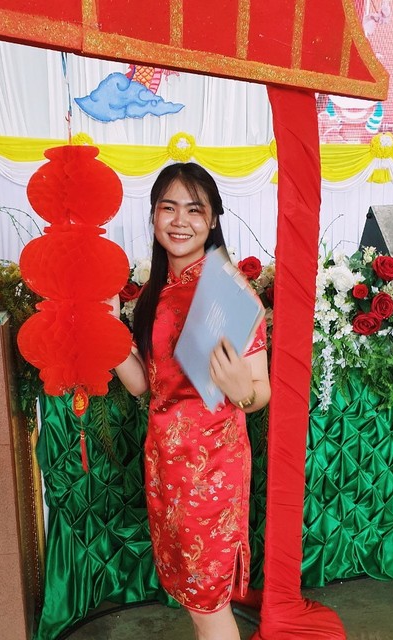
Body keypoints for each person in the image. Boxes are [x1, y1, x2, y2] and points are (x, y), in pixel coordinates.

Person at [113, 162, 271, 640]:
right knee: (190, 593)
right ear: (154, 216)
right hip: (165, 463)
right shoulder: (157, 291)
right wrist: (108, 332)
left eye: (194, 210)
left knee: (208, 603)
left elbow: (259, 390)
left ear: (213, 219)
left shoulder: (228, 289)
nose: (180, 221)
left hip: (212, 468)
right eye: (169, 208)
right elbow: (144, 386)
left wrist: (243, 390)